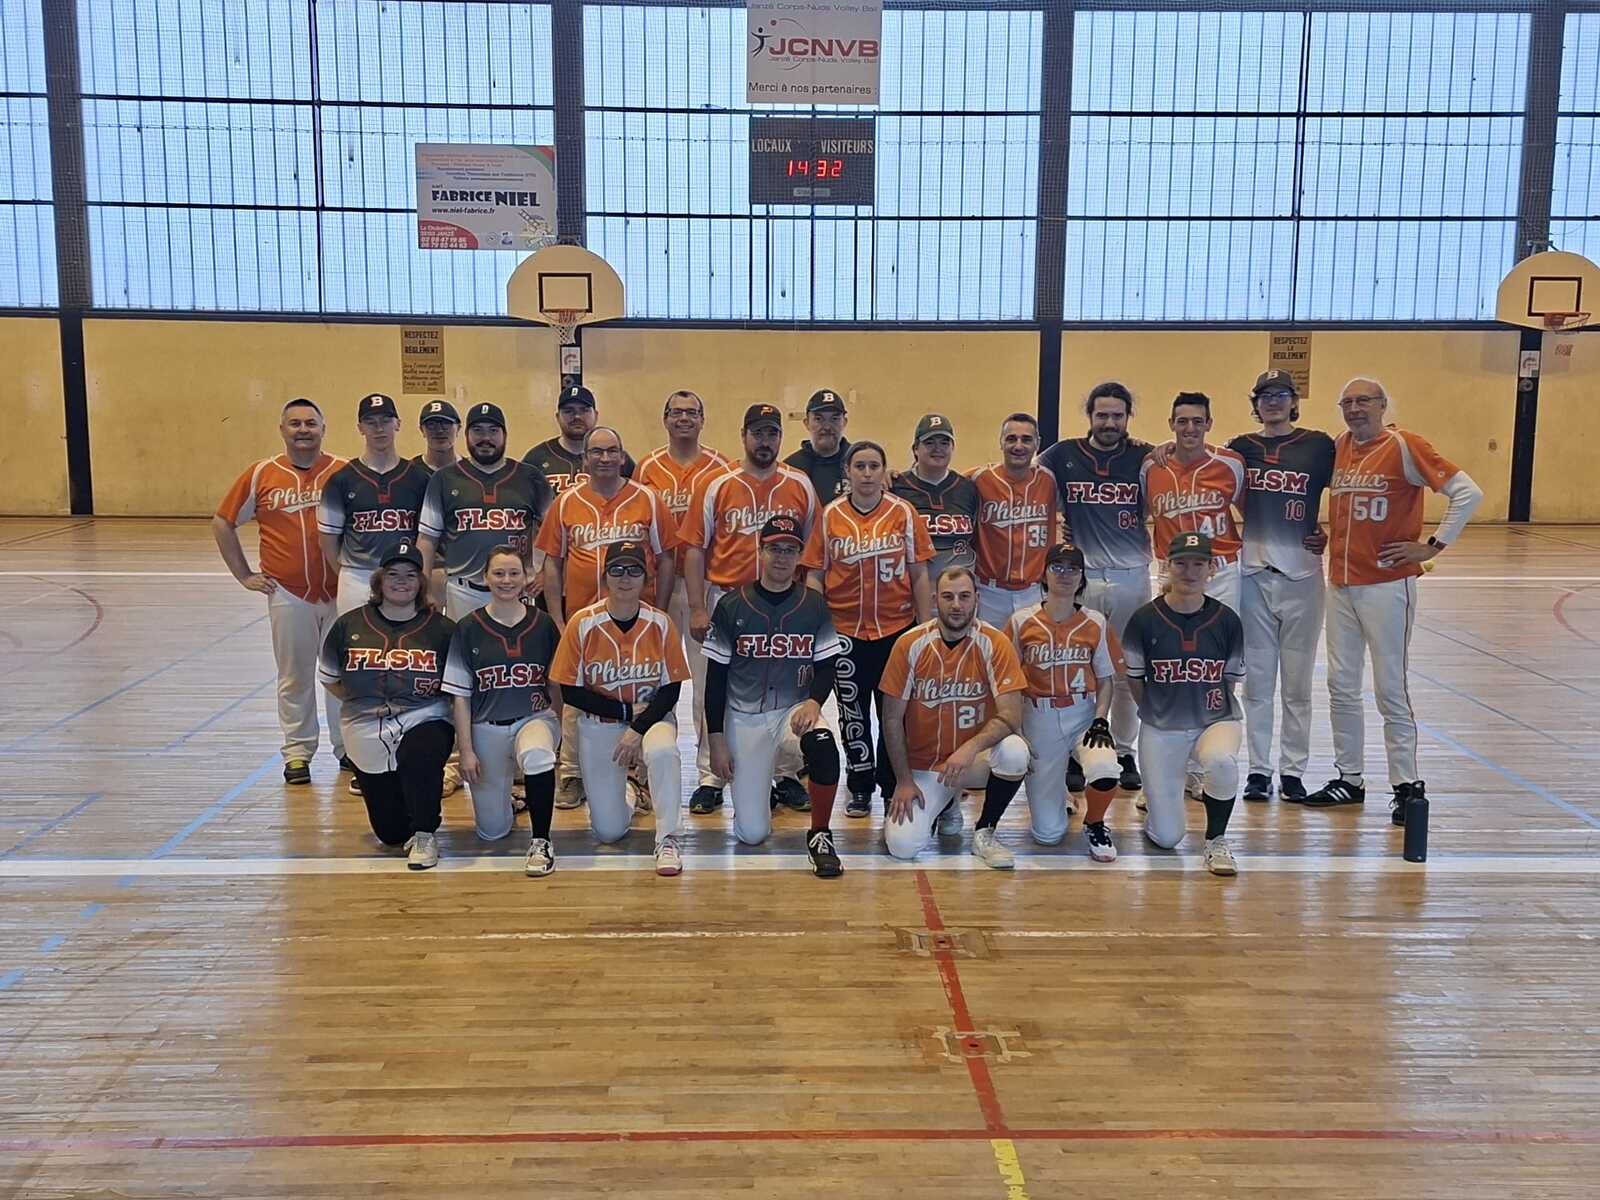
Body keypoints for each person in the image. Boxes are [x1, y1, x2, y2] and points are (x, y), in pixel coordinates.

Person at [1302, 378, 1483, 823]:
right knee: (1341, 685)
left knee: (1390, 688)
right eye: (1347, 402)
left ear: (1383, 405)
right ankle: (1350, 777)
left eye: (1364, 400)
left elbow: (1467, 493)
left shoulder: (1405, 445)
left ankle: (1406, 784)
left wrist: (1432, 546)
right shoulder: (1340, 446)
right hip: (1340, 583)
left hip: (1386, 585)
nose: (1355, 408)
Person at [681, 403, 820, 814]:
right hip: (726, 598)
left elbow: (815, 550)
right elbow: (694, 548)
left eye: (772, 433)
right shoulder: (716, 483)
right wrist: (696, 607)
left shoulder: (800, 484)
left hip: (783, 603)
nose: (765, 441)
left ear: (781, 438)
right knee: (711, 688)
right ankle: (710, 774)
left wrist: (811, 606)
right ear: (743, 436)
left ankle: (786, 773)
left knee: (783, 688)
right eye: (757, 433)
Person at [535, 425, 678, 811]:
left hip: (636, 617)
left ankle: (641, 777)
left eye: (611, 451)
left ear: (622, 455)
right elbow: (552, 563)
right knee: (576, 695)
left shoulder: (647, 499)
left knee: (640, 691)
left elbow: (666, 558)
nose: (604, 458)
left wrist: (661, 609)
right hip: (583, 619)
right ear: (584, 459)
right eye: (596, 452)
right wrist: (557, 617)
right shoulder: (566, 502)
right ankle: (571, 773)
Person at [213, 398, 346, 786]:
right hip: (289, 593)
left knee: (343, 675)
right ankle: (298, 752)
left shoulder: (344, 472)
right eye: (295, 423)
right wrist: (244, 575)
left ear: (323, 428)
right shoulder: (262, 474)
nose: (303, 430)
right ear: (283, 429)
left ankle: (348, 750)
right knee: (294, 675)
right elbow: (223, 522)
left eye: (311, 423)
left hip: (340, 591)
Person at [704, 517, 846, 876]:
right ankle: (756, 792)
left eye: (790, 550)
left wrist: (814, 702)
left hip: (792, 710)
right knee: (752, 834)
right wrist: (716, 740)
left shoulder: (814, 604)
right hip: (744, 716)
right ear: (760, 551)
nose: (782, 557)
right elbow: (715, 678)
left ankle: (820, 833)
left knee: (823, 745)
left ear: (800, 556)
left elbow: (827, 665)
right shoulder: (731, 605)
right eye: (774, 549)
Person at [802, 441, 934, 819]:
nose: (867, 473)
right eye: (859, 466)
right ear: (847, 471)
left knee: (895, 712)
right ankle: (859, 785)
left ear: (883, 470)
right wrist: (815, 627)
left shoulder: (903, 513)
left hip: (896, 629)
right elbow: (815, 574)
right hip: (845, 630)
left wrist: (926, 628)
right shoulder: (830, 516)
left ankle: (892, 784)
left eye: (874, 466)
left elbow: (919, 573)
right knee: (852, 712)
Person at [1226, 370, 1335, 803]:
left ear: (1294, 401)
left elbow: (1349, 491)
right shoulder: (1239, 449)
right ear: (1255, 403)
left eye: (1281, 394)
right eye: (1265, 395)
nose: (1273, 401)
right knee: (1257, 683)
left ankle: (1293, 770)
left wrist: (1331, 531)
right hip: (1253, 576)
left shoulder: (1319, 446)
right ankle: (1258, 770)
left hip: (1302, 576)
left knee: (1297, 684)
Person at [1036, 381, 1151, 791]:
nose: (1109, 423)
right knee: (1076, 668)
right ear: (1089, 415)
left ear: (1128, 417)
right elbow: (1021, 474)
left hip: (1131, 574)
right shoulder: (1061, 455)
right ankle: (1077, 749)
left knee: (1126, 668)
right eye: (1102, 415)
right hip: (1080, 576)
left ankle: (1123, 749)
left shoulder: (1144, 457)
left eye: (1117, 415)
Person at [550, 541, 691, 876]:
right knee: (609, 832)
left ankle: (669, 838)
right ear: (605, 577)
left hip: (651, 719)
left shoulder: (660, 623)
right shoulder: (582, 623)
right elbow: (570, 691)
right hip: (599, 723)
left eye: (634, 570)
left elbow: (671, 689)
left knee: (663, 751)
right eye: (616, 570)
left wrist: (637, 728)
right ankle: (630, 790)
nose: (625, 578)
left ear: (645, 578)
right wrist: (627, 715)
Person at [879, 566, 1031, 868]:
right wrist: (904, 781)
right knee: (902, 846)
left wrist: (970, 748)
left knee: (1015, 751)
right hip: (926, 765)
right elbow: (891, 719)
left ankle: (985, 830)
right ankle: (947, 803)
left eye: (964, 596)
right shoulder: (910, 644)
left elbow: (1011, 715)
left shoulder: (995, 642)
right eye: (948, 597)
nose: (957, 605)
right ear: (935, 599)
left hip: (971, 761)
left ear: (977, 599)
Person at [317, 540, 456, 870]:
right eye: (393, 574)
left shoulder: (442, 629)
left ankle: (425, 833)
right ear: (379, 580)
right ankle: (408, 819)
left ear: (421, 583)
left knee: (421, 753)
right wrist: (364, 703)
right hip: (365, 725)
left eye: (410, 575)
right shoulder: (349, 625)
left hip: (425, 716)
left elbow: (457, 690)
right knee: (391, 833)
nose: (401, 581)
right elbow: (331, 679)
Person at [1121, 531, 1246, 877]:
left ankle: (1216, 840)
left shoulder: (1227, 620)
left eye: (1198, 564)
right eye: (1181, 563)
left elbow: (1230, 680)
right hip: (1162, 725)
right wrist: (1158, 710)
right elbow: (1135, 680)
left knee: (1221, 762)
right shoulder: (1144, 620)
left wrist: (1206, 707)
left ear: (1212, 568)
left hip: (1215, 720)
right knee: (1166, 836)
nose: (1189, 572)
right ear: (1167, 566)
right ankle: (1160, 792)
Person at [635, 390, 734, 816]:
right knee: (652, 678)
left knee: (707, 680)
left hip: (701, 587)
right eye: (676, 412)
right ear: (665, 418)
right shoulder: (647, 467)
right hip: (657, 584)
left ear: (703, 419)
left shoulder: (721, 467)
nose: (684, 419)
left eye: (692, 412)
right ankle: (647, 768)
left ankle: (710, 774)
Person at [443, 545, 563, 876]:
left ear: (526, 578)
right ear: (485, 577)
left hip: (534, 718)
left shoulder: (543, 624)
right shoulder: (467, 627)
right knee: (492, 831)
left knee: (538, 754)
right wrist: (466, 751)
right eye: (498, 573)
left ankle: (541, 840)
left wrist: (560, 728)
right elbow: (460, 696)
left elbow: (556, 685)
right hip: (486, 726)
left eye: (514, 573)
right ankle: (508, 802)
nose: (506, 580)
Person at [1008, 545, 1124, 861]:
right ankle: (1059, 794)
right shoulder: (1021, 621)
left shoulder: (1095, 621)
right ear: (1044, 574)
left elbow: (1105, 679)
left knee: (1104, 766)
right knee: (1047, 834)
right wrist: (1016, 727)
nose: (1065, 574)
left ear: (1082, 577)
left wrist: (1100, 720)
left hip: (1082, 713)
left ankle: (1095, 822)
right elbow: (1008, 680)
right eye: (1057, 567)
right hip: (1038, 716)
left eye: (1073, 568)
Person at [416, 402, 551, 621]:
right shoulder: (444, 478)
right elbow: (427, 540)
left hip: (517, 589)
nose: (485, 438)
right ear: (466, 434)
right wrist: (424, 589)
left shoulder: (530, 477)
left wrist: (543, 571)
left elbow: (553, 532)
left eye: (493, 431)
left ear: (505, 435)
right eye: (478, 431)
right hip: (463, 591)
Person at [319, 393, 432, 617]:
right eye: (370, 422)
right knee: (356, 638)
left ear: (397, 424)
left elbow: (426, 536)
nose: (379, 428)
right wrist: (346, 574)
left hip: (404, 573)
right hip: (357, 576)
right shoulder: (341, 479)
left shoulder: (419, 478)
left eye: (386, 421)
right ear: (360, 428)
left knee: (404, 638)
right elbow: (328, 539)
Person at [1142, 392, 1246, 611]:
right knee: (1173, 631)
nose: (1190, 428)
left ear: (1209, 424)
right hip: (1172, 568)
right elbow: (1141, 513)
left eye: (1198, 421)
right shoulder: (1152, 466)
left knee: (1222, 630)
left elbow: (1250, 513)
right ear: (1171, 424)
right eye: (1182, 421)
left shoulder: (1230, 463)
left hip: (1220, 570)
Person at [970, 413, 1059, 632]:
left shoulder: (1050, 480)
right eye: (1011, 439)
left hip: (1035, 591)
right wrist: (893, 476)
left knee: (1034, 651)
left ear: (1037, 443)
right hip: (989, 592)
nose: (1018, 446)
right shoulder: (979, 478)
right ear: (1001, 442)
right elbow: (941, 482)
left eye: (1026, 439)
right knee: (989, 650)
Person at [891, 413, 980, 586]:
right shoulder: (896, 487)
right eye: (929, 442)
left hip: (959, 591)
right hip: (914, 589)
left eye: (944, 443)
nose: (937, 449)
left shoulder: (968, 488)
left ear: (952, 448)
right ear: (915, 449)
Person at [522, 384, 636, 496]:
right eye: (568, 411)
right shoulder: (536, 459)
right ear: (557, 417)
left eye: (584, 410)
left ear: (596, 415)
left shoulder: (617, 459)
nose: (577, 416)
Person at [784, 388, 851, 501]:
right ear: (807, 423)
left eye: (834, 419)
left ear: (844, 422)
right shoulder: (790, 469)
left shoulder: (861, 464)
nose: (827, 426)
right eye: (819, 419)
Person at [416, 398, 461, 472]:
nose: (439, 430)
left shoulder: (470, 470)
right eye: (431, 424)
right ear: (422, 430)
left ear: (458, 428)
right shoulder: (410, 471)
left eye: (446, 423)